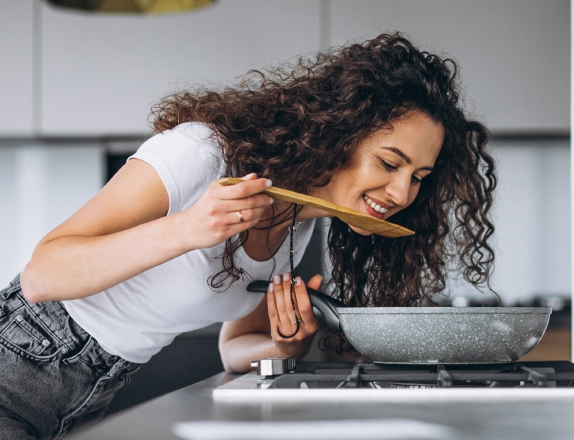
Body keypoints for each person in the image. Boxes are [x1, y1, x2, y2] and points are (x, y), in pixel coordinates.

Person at [0, 33, 496, 439]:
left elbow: (234, 347)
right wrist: (189, 228)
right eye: (390, 163)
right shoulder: (201, 153)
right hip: (19, 361)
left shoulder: (301, 223)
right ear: (340, 131)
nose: (401, 191)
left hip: (95, 389)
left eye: (418, 177)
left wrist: (283, 346)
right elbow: (42, 275)